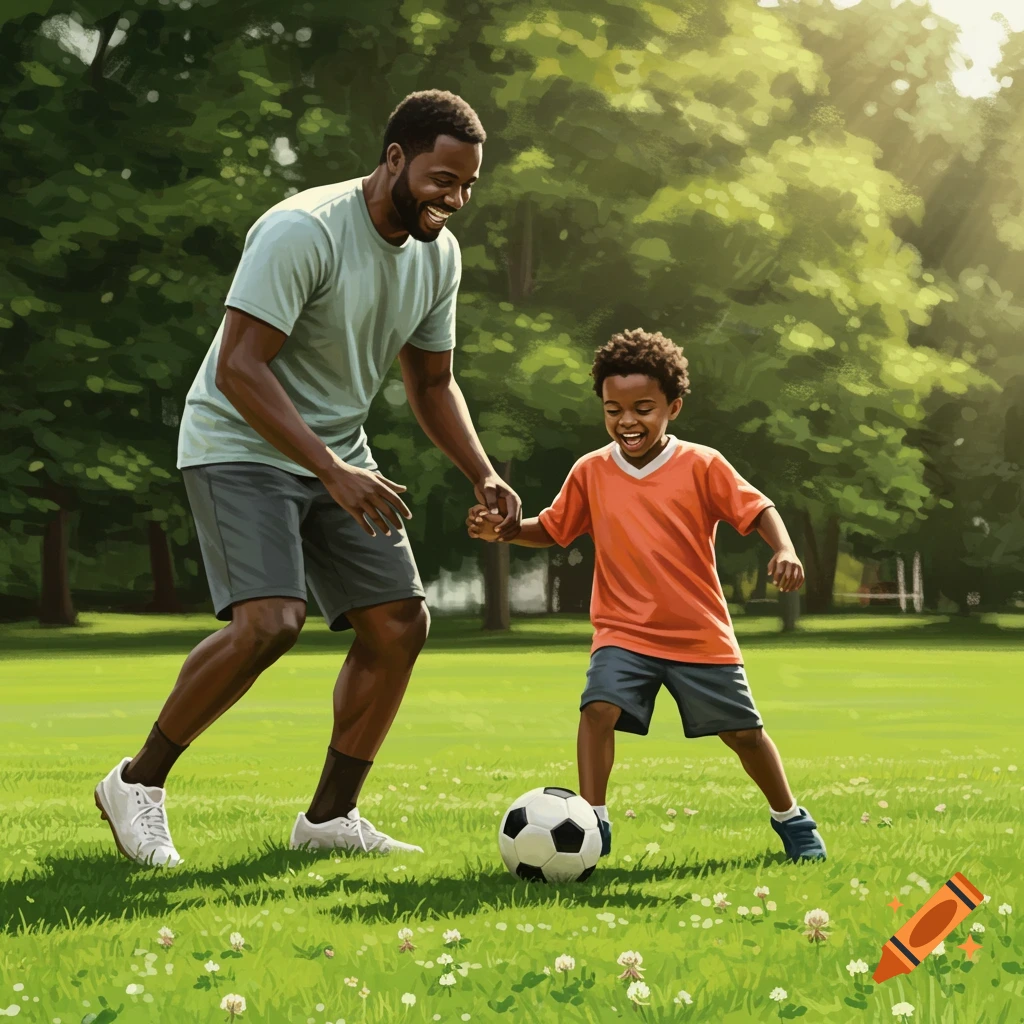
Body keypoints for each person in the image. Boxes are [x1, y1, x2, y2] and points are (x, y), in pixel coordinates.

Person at [94, 90, 521, 866]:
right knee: (270, 624)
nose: (453, 200)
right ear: (395, 158)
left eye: (467, 186)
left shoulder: (438, 255)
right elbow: (238, 368)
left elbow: (430, 384)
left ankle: (329, 819)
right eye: (440, 179)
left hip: (337, 456)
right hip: (238, 443)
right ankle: (137, 783)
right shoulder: (304, 230)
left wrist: (482, 471)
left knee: (398, 625)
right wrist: (332, 472)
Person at [467, 328, 826, 862]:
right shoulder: (590, 471)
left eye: (642, 408)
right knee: (597, 710)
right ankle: (594, 823)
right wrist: (506, 531)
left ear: (672, 407)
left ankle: (791, 819)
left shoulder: (702, 464)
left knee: (745, 736)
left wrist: (786, 549)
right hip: (623, 630)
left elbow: (759, 509)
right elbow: (555, 527)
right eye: (613, 410)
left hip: (698, 633)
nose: (626, 421)